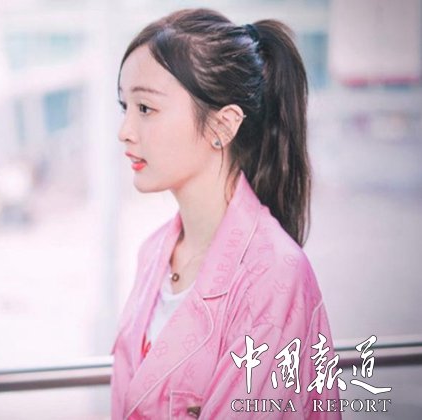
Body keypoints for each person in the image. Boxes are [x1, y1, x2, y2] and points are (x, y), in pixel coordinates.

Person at [111, 8, 342, 419]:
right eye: (124, 106)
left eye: (145, 108)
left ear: (223, 125)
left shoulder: (273, 274)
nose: (124, 130)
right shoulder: (154, 253)